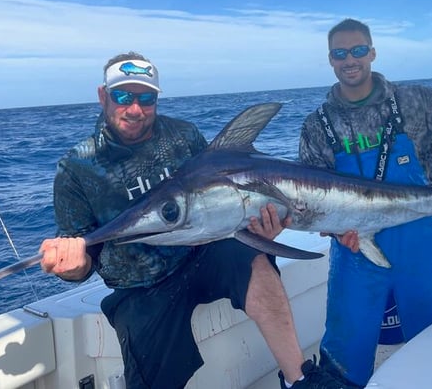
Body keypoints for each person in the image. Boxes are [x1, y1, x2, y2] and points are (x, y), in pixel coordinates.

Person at [39, 52, 343, 389]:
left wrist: (264, 224)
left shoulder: (183, 135)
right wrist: (73, 266)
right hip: (141, 287)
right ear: (103, 95)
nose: (135, 109)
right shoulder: (77, 167)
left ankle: (298, 377)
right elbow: (83, 255)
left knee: (256, 259)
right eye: (123, 96)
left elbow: (229, 197)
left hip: (204, 255)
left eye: (147, 98)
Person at [298, 19, 432, 387]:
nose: (350, 60)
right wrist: (335, 231)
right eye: (340, 53)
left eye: (358, 50)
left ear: (372, 52)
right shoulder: (317, 125)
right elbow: (316, 199)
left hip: (420, 248)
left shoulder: (413, 103)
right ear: (330, 60)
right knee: (341, 367)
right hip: (355, 257)